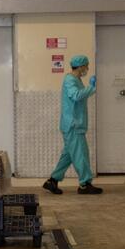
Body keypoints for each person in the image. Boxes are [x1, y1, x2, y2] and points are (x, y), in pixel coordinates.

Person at [43, 55, 103, 195]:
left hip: (75, 124)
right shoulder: (70, 79)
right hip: (73, 125)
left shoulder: (76, 79)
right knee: (81, 154)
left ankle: (52, 181)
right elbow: (75, 95)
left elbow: (78, 96)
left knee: (69, 155)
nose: (87, 68)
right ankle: (85, 184)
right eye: (86, 66)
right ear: (80, 66)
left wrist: (89, 88)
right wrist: (91, 88)